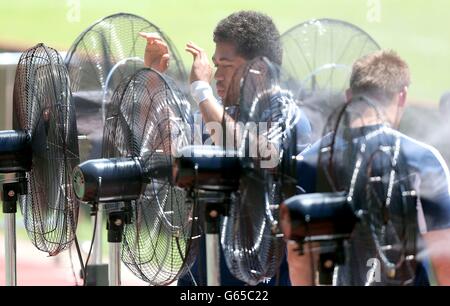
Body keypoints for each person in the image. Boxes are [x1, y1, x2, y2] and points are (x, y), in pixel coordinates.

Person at [140, 10, 311, 285]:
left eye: (226, 65)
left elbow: (260, 154)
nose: (216, 75)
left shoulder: (286, 115)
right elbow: (168, 153)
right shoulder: (218, 113)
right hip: (200, 273)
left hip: (256, 276)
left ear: (260, 70)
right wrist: (152, 80)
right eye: (215, 64)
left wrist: (202, 93)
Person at [288, 50, 450, 286]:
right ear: (402, 96)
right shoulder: (423, 160)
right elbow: (443, 258)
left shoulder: (306, 161)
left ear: (348, 97)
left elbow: (298, 256)